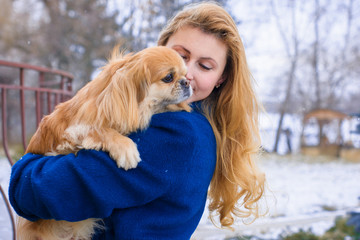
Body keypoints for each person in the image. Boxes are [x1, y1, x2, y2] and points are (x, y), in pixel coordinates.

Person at [9, 2, 265, 239]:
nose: (188, 72)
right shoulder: (181, 121)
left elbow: (37, 194)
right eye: (180, 55)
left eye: (205, 66)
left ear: (221, 78)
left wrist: (26, 168)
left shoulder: (179, 135)